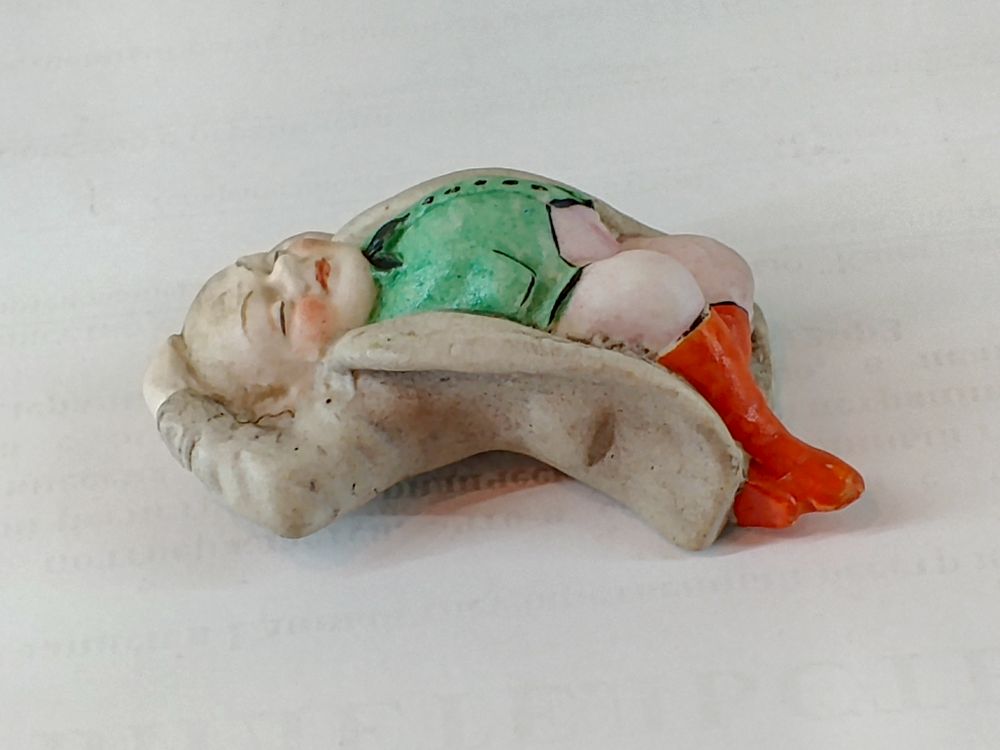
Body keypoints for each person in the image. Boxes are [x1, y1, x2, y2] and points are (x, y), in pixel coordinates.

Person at [171, 172, 863, 529]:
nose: (291, 273)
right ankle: (769, 452)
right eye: (281, 311)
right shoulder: (365, 375)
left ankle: (747, 422)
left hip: (589, 251)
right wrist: (171, 400)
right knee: (654, 290)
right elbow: (288, 494)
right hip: (568, 303)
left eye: (270, 260)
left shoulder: (376, 238)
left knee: (720, 266)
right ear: (293, 387)